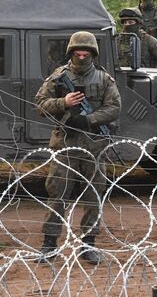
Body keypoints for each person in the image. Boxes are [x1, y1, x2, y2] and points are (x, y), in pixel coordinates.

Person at [35, 31, 121, 265]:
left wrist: (89, 120)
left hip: (93, 145)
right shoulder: (58, 77)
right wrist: (64, 103)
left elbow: (114, 108)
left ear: (93, 54)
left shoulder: (104, 79)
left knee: (93, 196)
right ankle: (49, 244)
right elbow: (40, 104)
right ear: (71, 53)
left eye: (86, 53)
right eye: (77, 53)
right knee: (57, 194)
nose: (81, 57)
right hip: (65, 144)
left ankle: (88, 244)